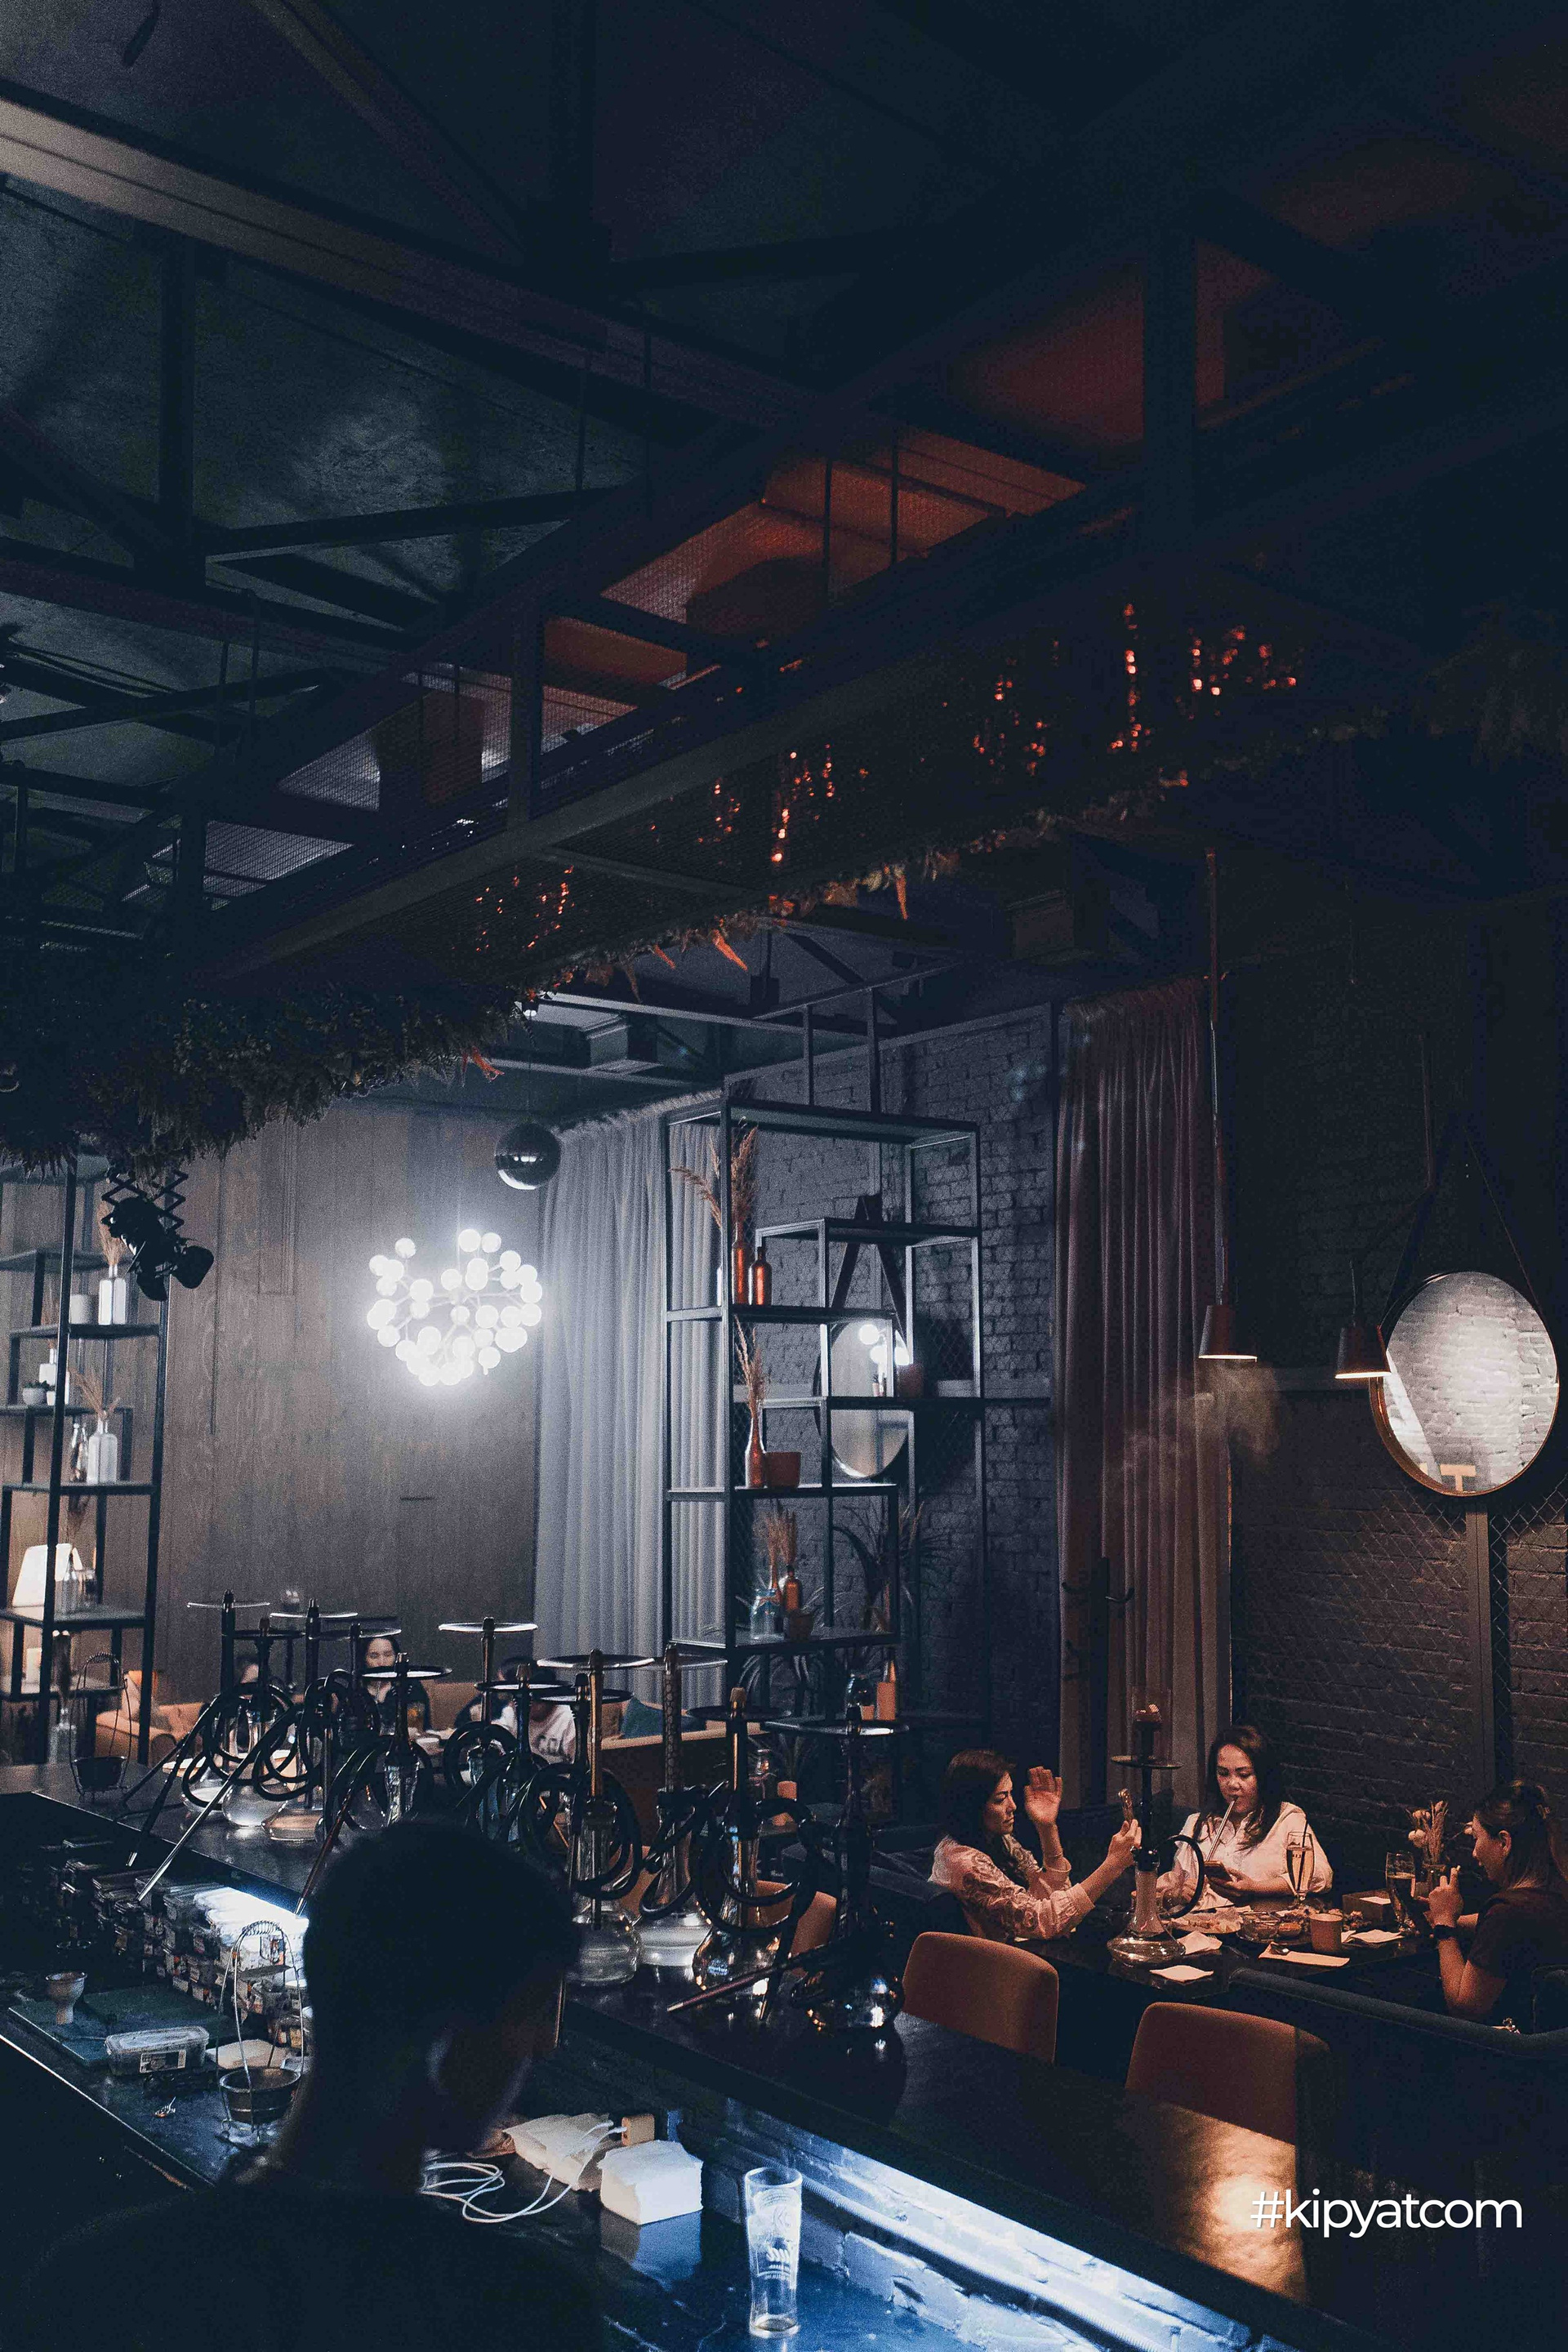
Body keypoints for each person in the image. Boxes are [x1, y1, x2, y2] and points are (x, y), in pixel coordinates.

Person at [16, 1824, 596, 2352]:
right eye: (528, 2018)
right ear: (445, 2045)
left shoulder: (90, 2280)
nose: (539, 2049)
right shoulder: (520, 2316)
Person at [930, 1749, 1139, 1941]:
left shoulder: (997, 1839)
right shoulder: (964, 1861)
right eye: (1000, 1799)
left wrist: (1047, 1827)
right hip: (989, 1967)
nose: (1013, 1806)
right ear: (972, 1806)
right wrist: (1112, 1866)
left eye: (1011, 1794)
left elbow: (1049, 1899)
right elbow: (1043, 1921)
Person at [1427, 1780, 1568, 2026]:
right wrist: (1447, 1916)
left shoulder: (1507, 1913)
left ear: (1504, 1842)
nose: (1474, 1852)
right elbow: (1526, 1928)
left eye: (1477, 1838)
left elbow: (1464, 2008)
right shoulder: (1555, 1893)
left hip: (1507, 2044)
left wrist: (1444, 1925)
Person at [1161, 1723, 1333, 1905]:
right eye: (1223, 1773)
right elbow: (1171, 1885)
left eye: (1244, 1775)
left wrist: (1256, 1888)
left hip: (1258, 1920)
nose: (1232, 1784)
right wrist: (1177, 1894)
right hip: (1200, 1921)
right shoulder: (1197, 1823)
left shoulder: (1286, 1819)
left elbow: (1321, 1875)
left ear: (1263, 1776)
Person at [362, 1631, 430, 1737]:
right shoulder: (356, 1692)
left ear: (396, 1658)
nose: (382, 1662)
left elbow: (421, 1727)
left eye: (388, 1655)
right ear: (365, 1659)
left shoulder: (410, 1687)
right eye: (374, 1656)